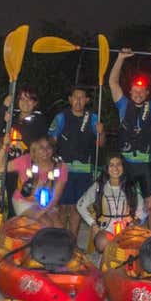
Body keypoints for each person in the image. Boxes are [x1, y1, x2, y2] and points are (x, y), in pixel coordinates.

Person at [108, 49, 151, 211]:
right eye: (135, 90)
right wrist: (120, 58)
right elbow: (113, 83)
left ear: (147, 93)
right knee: (125, 204)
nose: (138, 94)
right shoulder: (123, 105)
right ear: (130, 92)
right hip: (126, 165)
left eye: (142, 91)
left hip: (146, 166)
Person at [49, 87, 105, 239]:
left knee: (77, 208)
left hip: (84, 170)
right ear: (70, 99)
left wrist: (101, 132)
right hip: (64, 169)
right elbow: (51, 141)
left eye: (82, 98)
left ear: (86, 100)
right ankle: (60, 240)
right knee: (62, 207)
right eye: (75, 97)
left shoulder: (93, 118)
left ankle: (72, 242)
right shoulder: (61, 117)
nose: (78, 101)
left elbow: (101, 144)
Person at [0, 87, 49, 216]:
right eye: (22, 99)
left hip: (29, 168)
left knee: (26, 200)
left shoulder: (39, 119)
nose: (25, 102)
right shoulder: (13, 115)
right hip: (12, 165)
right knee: (12, 201)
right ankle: (12, 227)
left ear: (35, 103)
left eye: (30, 100)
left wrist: (11, 121)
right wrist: (4, 108)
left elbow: (29, 136)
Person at [77, 154, 146, 253]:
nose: (115, 168)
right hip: (105, 229)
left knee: (137, 244)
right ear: (106, 168)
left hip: (126, 228)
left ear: (123, 167)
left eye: (118, 164)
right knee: (103, 243)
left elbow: (142, 208)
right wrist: (92, 224)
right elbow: (80, 205)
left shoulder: (131, 187)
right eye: (111, 165)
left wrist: (137, 221)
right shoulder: (99, 186)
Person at [0, 136, 66, 226]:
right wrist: (4, 146)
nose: (45, 151)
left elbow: (55, 198)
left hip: (48, 204)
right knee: (47, 224)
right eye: (41, 147)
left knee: (59, 227)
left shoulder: (60, 167)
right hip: (24, 201)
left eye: (48, 147)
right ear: (34, 148)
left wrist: (42, 212)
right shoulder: (25, 160)